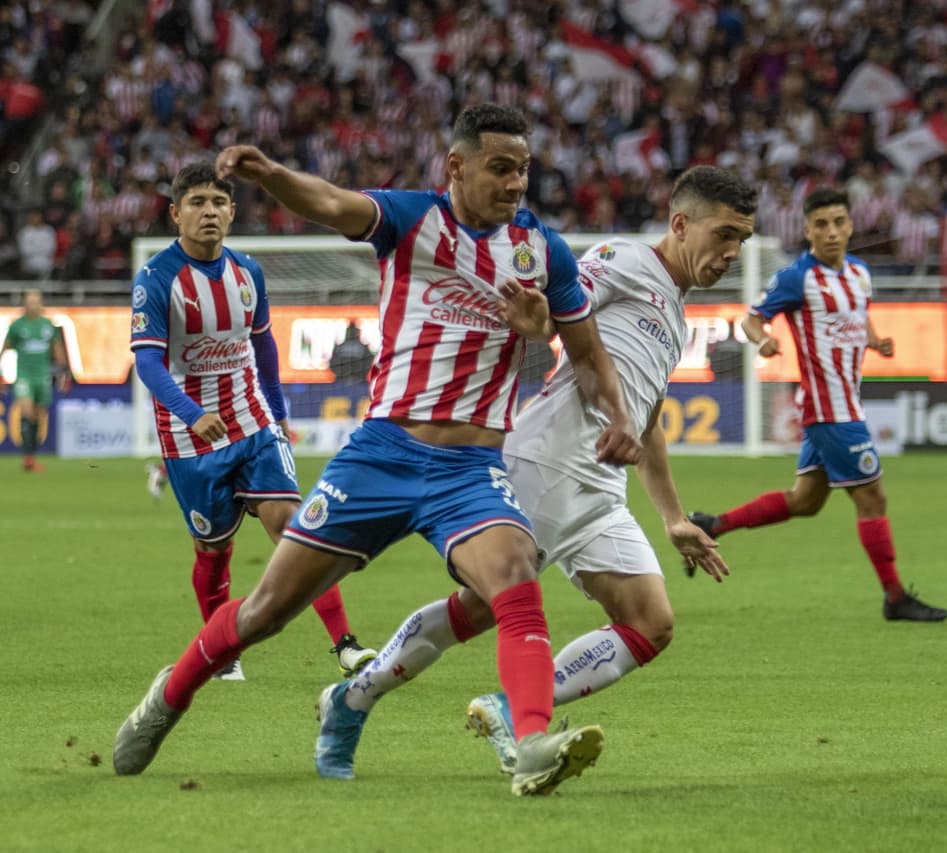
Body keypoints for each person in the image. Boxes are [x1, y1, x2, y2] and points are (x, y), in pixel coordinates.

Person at [113, 104, 643, 797]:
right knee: (266, 610)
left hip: (470, 469)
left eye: (523, 168)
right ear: (456, 166)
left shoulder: (542, 250)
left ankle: (534, 742)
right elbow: (332, 202)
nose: (516, 182)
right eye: (500, 167)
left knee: (517, 583)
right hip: (382, 453)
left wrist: (618, 410)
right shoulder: (411, 219)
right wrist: (270, 174)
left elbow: (586, 349)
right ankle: (170, 695)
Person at [309, 166, 756, 781]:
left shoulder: (676, 318)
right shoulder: (624, 260)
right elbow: (559, 312)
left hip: (601, 490)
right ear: (681, 224)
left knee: (651, 623)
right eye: (725, 234)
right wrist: (540, 322)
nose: (732, 253)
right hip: (543, 461)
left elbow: (645, 422)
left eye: (743, 241)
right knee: (480, 609)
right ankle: (354, 697)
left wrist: (674, 517)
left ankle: (509, 709)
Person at [127, 162, 375, 682]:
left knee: (299, 528)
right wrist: (194, 416)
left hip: (253, 421)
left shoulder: (248, 273)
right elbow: (148, 362)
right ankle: (222, 653)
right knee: (214, 551)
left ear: (233, 213)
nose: (209, 212)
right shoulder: (156, 278)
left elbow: (263, 344)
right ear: (176, 214)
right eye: (197, 203)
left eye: (218, 203)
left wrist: (279, 416)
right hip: (190, 438)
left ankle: (347, 646)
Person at [689, 187, 947, 622]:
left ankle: (711, 524)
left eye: (839, 223)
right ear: (807, 230)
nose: (831, 232)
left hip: (844, 405)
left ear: (850, 226)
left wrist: (874, 339)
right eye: (821, 224)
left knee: (805, 501)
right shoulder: (797, 278)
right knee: (873, 500)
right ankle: (895, 597)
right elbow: (752, 318)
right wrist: (765, 340)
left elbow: (856, 316)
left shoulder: (860, 273)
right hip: (831, 412)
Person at [1, 288, 71, 471]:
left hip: (42, 377)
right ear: (25, 304)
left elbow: (57, 351)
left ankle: (31, 457)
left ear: (41, 304)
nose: (33, 305)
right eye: (30, 301)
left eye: (36, 301)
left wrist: (65, 372)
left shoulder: (47, 326)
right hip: (24, 376)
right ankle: (27, 459)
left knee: (38, 416)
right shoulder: (17, 326)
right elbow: (5, 348)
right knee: (26, 411)